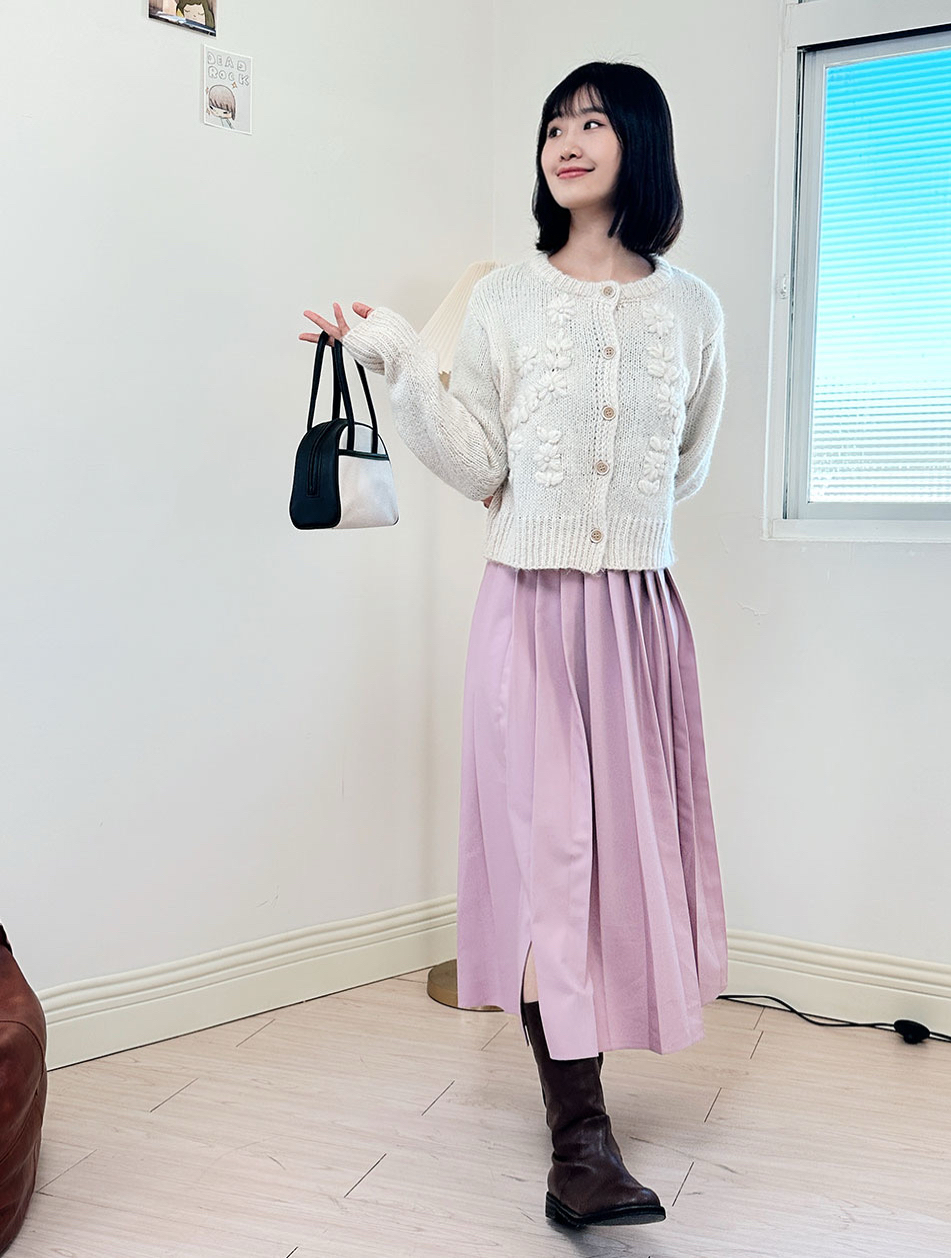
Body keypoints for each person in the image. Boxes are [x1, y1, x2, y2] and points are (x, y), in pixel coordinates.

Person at [300, 59, 729, 1231]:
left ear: (639, 141)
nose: (566, 141)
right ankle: (578, 1138)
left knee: (619, 860)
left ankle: (590, 1101)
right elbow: (479, 461)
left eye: (591, 121)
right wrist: (397, 359)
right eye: (552, 126)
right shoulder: (504, 301)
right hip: (528, 611)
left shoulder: (695, 309)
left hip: (636, 614)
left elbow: (687, 466)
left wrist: (612, 521)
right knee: (548, 863)